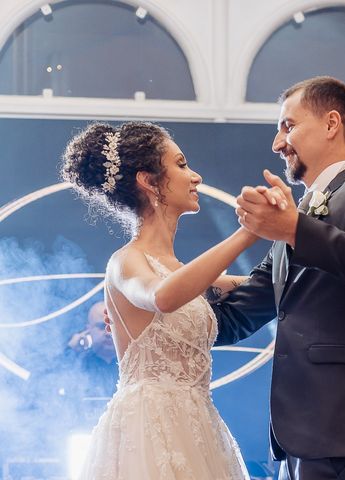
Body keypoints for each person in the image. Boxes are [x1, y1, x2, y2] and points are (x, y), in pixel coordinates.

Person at [211, 76, 345, 480]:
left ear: (331, 124)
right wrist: (160, 308)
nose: (277, 143)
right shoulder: (298, 218)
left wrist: (294, 230)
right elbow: (240, 315)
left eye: (288, 126)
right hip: (299, 438)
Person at [61, 121, 267, 479]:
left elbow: (240, 284)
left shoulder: (177, 271)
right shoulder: (126, 261)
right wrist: (249, 233)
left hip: (199, 426)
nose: (196, 176)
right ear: (148, 180)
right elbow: (162, 297)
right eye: (182, 165)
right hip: (147, 430)